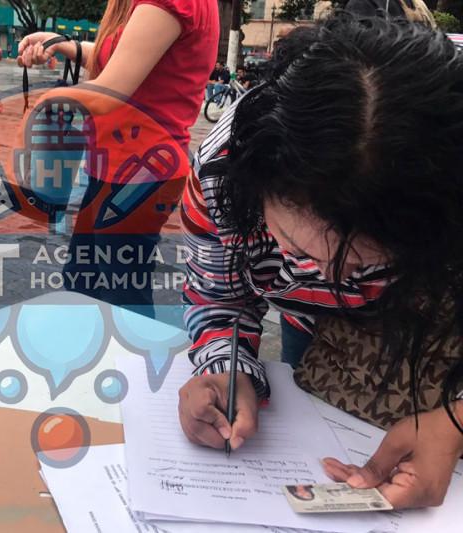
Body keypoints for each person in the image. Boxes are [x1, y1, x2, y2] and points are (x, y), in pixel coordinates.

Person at [179, 16, 463, 510]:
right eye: (295, 248)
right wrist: (227, 366)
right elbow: (218, 293)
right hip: (318, 345)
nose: (326, 280)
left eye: (366, 264)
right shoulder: (222, 170)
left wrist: (455, 422)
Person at [18, 0, 219, 315]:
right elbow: (120, 58)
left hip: (141, 168)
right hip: (115, 164)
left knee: (120, 298)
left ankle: (132, 363)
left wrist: (44, 103)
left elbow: (112, 88)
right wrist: (62, 44)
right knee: (84, 286)